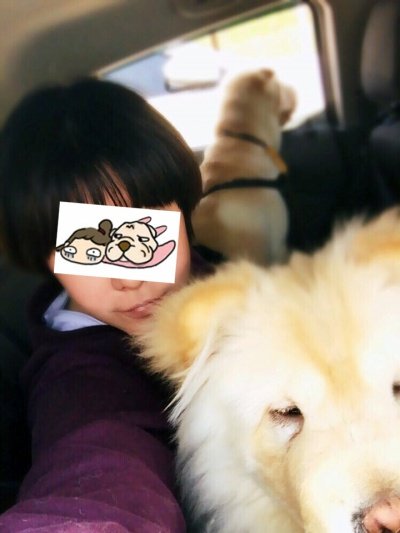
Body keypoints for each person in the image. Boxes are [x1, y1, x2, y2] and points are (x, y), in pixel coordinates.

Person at [0, 78, 211, 531]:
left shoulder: (213, 278)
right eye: (86, 247)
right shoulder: (79, 385)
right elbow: (96, 471)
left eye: (143, 228)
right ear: (44, 257)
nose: (129, 277)